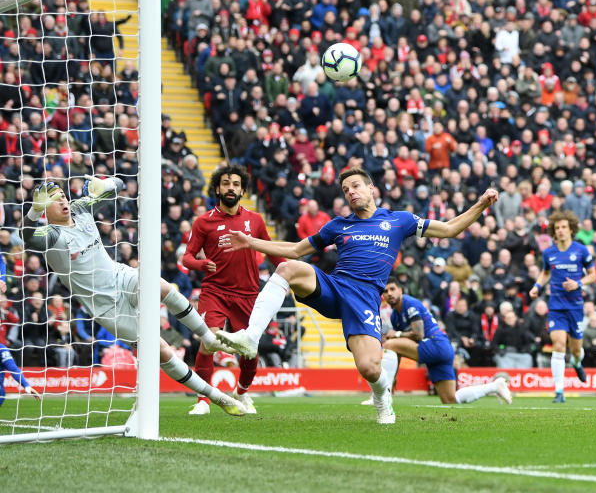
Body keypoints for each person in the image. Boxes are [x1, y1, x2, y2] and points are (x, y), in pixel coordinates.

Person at [216, 168, 499, 424]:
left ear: (371, 189)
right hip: (335, 287)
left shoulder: (398, 220)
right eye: (346, 190)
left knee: (369, 367)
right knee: (288, 268)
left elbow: (449, 229)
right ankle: (250, 338)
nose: (351, 192)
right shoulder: (338, 225)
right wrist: (251, 242)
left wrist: (481, 205)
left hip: (364, 299)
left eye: (355, 186)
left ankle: (382, 396)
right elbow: (295, 250)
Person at [23, 179, 245, 416]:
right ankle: (216, 396)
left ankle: (208, 338)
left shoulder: (80, 208)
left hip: (120, 276)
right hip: (106, 306)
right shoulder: (51, 234)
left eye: (62, 196)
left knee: (159, 285)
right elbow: (27, 236)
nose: (62, 202)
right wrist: (34, 211)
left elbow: (119, 185)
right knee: (159, 349)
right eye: (54, 200)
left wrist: (103, 183)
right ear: (45, 209)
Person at [182, 164, 283, 416]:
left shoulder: (255, 220)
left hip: (248, 295)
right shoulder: (203, 221)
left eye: (236, 184)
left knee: (250, 352)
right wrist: (201, 264)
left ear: (242, 190)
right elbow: (187, 258)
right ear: (217, 188)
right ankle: (203, 401)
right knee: (209, 341)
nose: (231, 188)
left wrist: (289, 274)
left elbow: (271, 252)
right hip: (214, 291)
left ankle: (241, 393)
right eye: (226, 183)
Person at [380, 279, 512, 405]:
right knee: (450, 399)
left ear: (401, 290)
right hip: (440, 349)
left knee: (389, 344)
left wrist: (396, 334)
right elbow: (399, 348)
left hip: (435, 344)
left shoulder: (409, 303)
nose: (389, 293)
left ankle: (383, 396)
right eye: (385, 291)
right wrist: (393, 375)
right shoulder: (394, 316)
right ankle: (495, 386)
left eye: (392, 289)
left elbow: (418, 335)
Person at [529, 210, 596, 403]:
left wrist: (579, 284)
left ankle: (576, 363)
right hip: (556, 306)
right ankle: (559, 391)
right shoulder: (549, 252)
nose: (560, 231)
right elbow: (545, 273)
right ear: (553, 230)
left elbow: (593, 275)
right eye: (557, 227)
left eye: (564, 227)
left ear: (571, 229)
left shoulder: (581, 251)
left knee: (575, 350)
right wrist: (536, 286)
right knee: (558, 345)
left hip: (575, 306)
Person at [1, 342, 41, 407]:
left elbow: (13, 368)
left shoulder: (1, 349)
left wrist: (26, 386)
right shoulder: (1, 348)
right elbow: (13, 368)